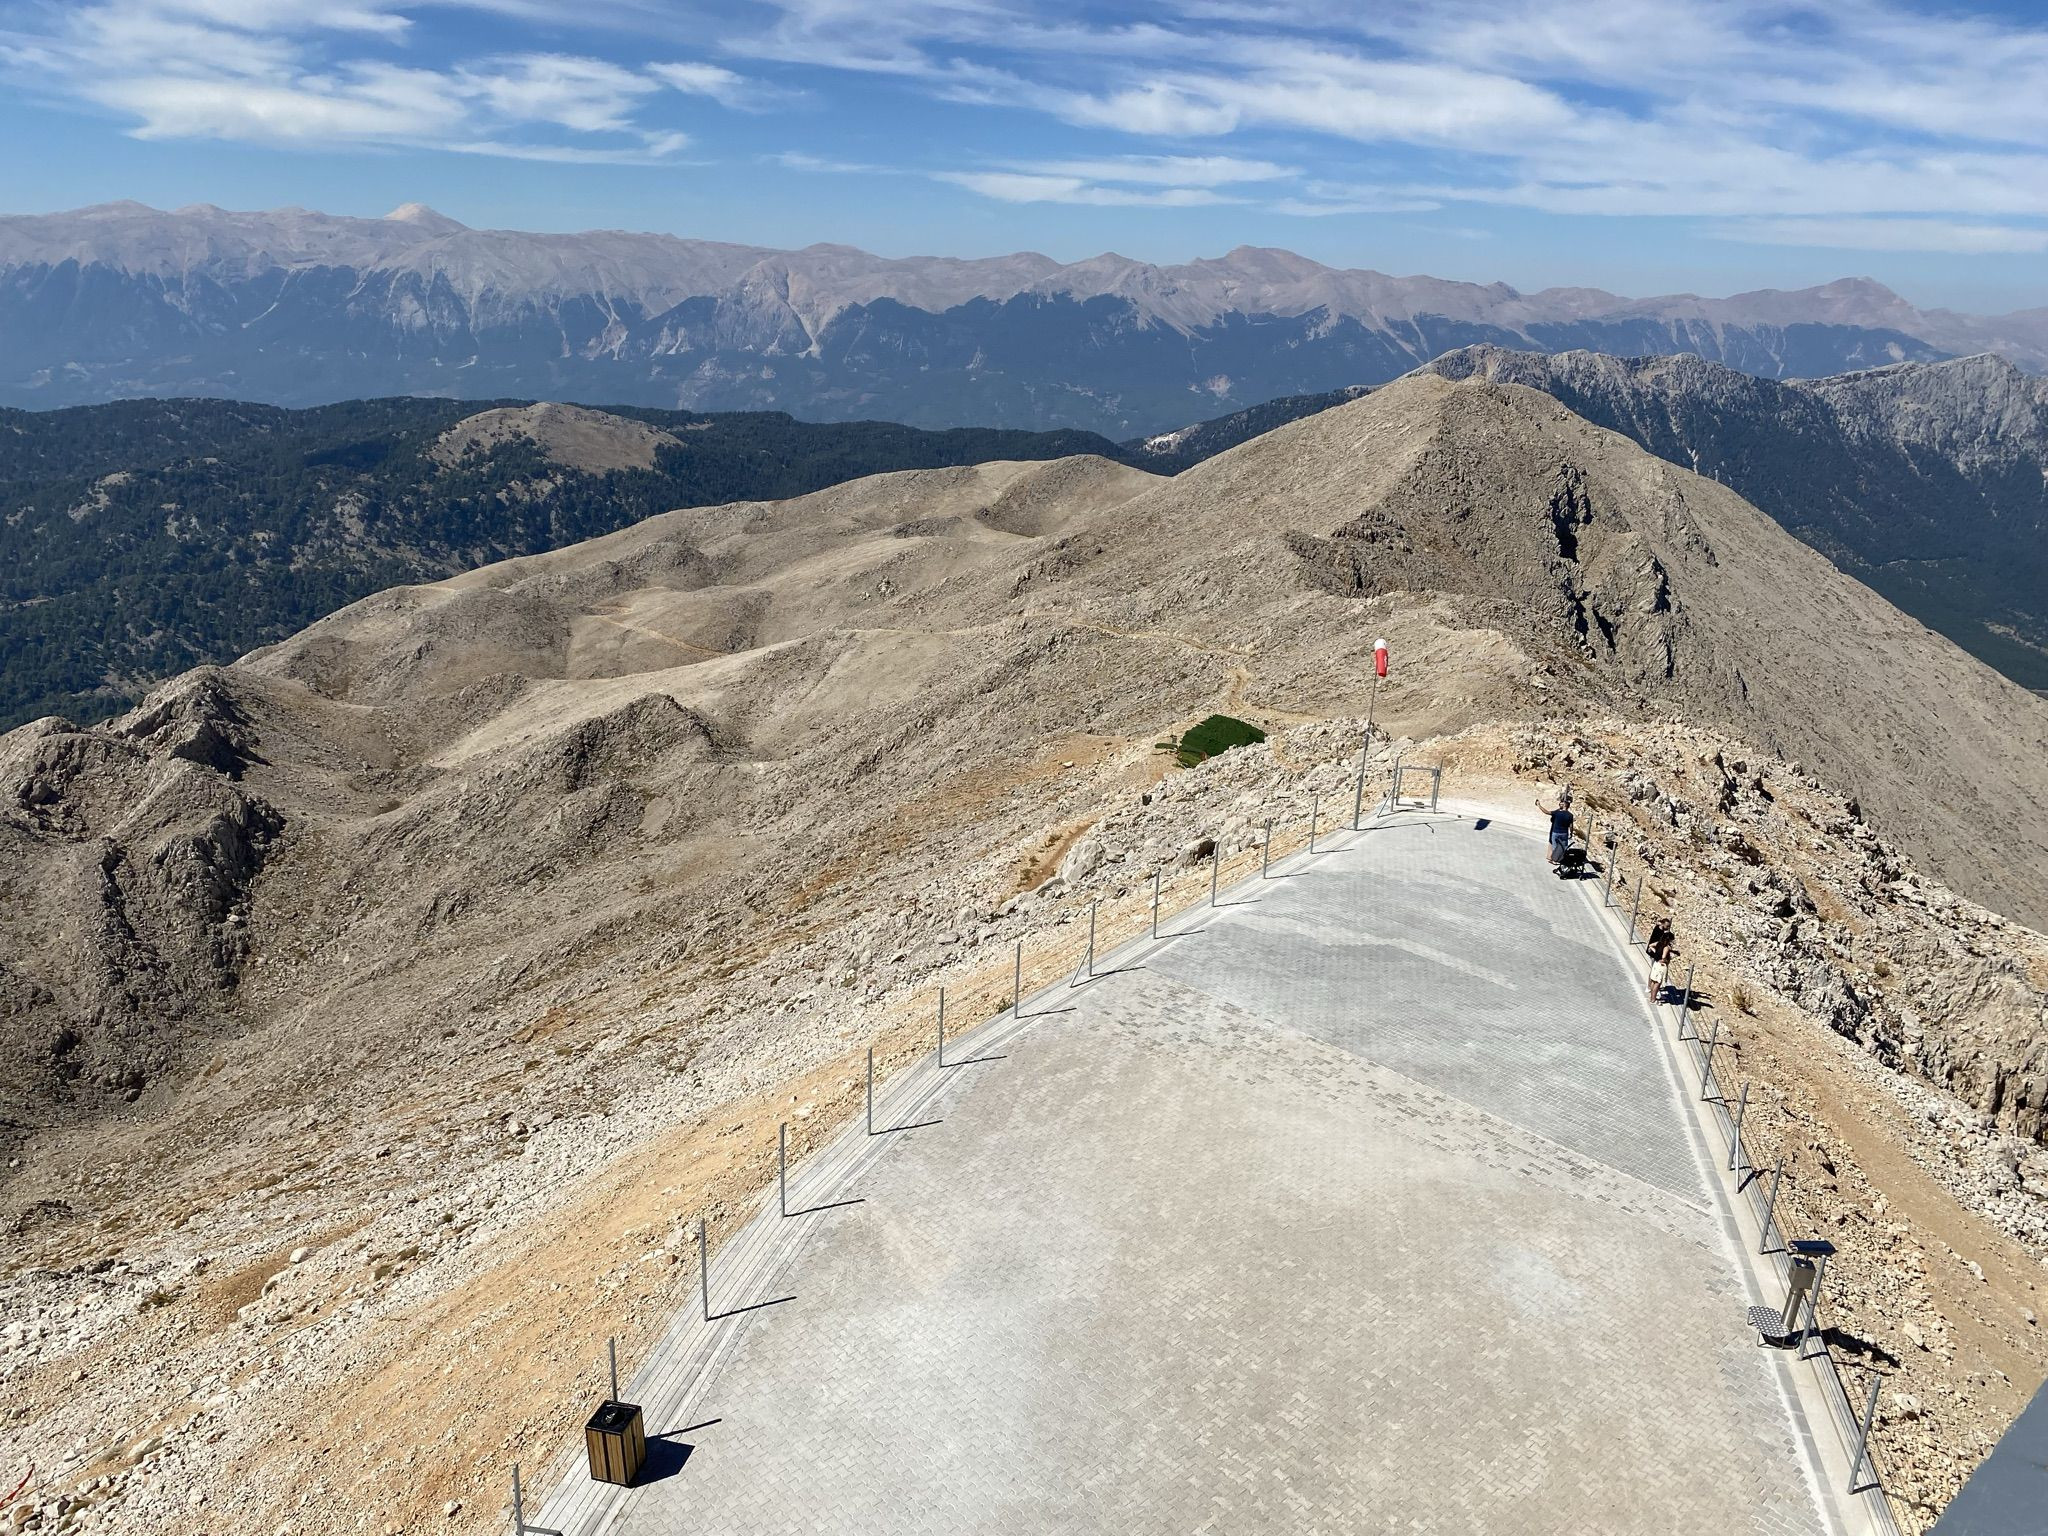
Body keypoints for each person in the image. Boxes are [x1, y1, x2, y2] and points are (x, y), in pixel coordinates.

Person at [1536, 787, 1574, 866]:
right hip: (1564, 833)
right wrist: (1571, 833)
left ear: (1564, 805)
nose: (1560, 804)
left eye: (1561, 803)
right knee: (1563, 847)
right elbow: (1571, 825)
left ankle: (1554, 860)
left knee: (1555, 847)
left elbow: (1546, 812)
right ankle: (1561, 859)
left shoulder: (1557, 812)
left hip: (1556, 832)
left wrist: (1539, 805)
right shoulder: (1570, 815)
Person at [1646, 917, 1678, 1003]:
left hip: (1656, 954)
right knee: (1656, 979)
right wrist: (1669, 958)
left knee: (1653, 974)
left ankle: (1650, 989)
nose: (1668, 928)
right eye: (1667, 926)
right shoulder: (1661, 935)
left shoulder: (1659, 929)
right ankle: (1653, 994)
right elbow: (1663, 957)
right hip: (1657, 958)